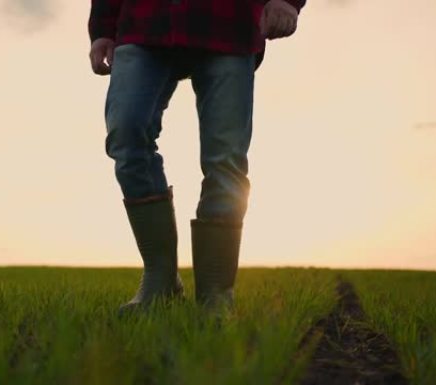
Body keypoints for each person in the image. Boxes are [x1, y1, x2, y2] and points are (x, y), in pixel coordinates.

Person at [88, 0, 305, 314]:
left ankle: (215, 293)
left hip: (230, 22)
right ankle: (160, 281)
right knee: (126, 132)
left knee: (225, 158)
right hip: (143, 21)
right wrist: (102, 29)